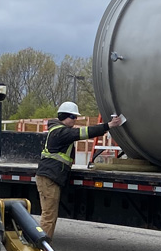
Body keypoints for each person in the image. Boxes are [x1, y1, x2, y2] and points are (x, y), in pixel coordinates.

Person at [35, 101, 123, 242]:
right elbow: (84, 133)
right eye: (73, 117)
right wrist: (109, 125)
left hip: (51, 178)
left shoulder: (58, 130)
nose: (75, 120)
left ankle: (43, 246)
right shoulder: (60, 132)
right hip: (49, 179)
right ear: (65, 116)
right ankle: (42, 249)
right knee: (49, 215)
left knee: (49, 214)